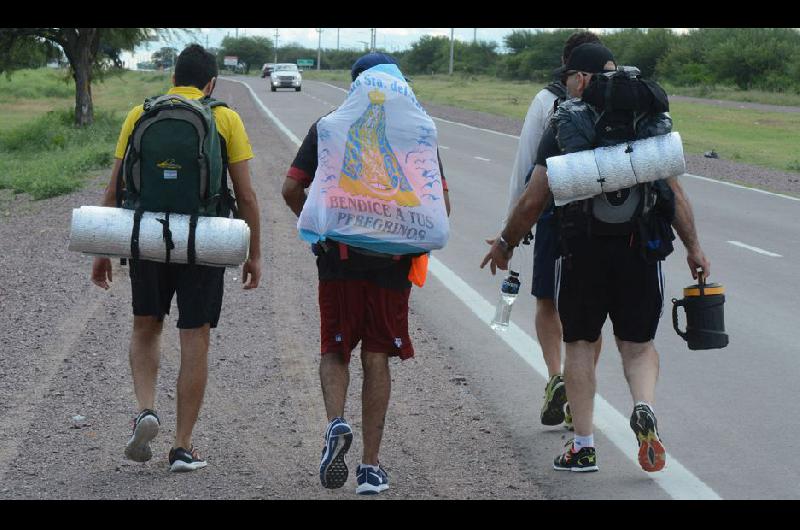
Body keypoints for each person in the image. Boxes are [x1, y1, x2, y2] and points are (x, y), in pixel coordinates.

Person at [481, 43, 710, 473]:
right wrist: (694, 248)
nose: (566, 84)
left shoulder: (566, 120)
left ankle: (582, 446)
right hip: (640, 249)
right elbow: (673, 193)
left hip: (582, 249)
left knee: (580, 344)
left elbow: (534, 198)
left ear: (582, 79)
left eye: (569, 77)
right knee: (638, 346)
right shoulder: (647, 120)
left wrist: (506, 242)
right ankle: (644, 408)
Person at [282, 53, 451, 495]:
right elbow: (440, 210)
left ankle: (336, 423)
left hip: (338, 262)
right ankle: (370, 468)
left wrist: (322, 230)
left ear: (355, 85)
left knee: (335, 349)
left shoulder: (329, 125)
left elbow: (291, 188)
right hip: (393, 269)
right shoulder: (419, 131)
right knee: (377, 356)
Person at [91, 44, 262, 472]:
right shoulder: (224, 117)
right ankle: (182, 446)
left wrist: (103, 249)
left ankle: (146, 408)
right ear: (211, 83)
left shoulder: (139, 114)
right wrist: (252, 253)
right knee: (194, 335)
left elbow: (114, 189)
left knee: (146, 325)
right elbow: (247, 195)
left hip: (147, 236)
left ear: (173, 79)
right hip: (201, 242)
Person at [503, 31, 602, 431]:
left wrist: (508, 228)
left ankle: (556, 376)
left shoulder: (547, 100)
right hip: (602, 222)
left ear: (566, 64)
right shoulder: (617, 102)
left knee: (547, 299)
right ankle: (581, 391)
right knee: (592, 312)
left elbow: (526, 164)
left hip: (552, 215)